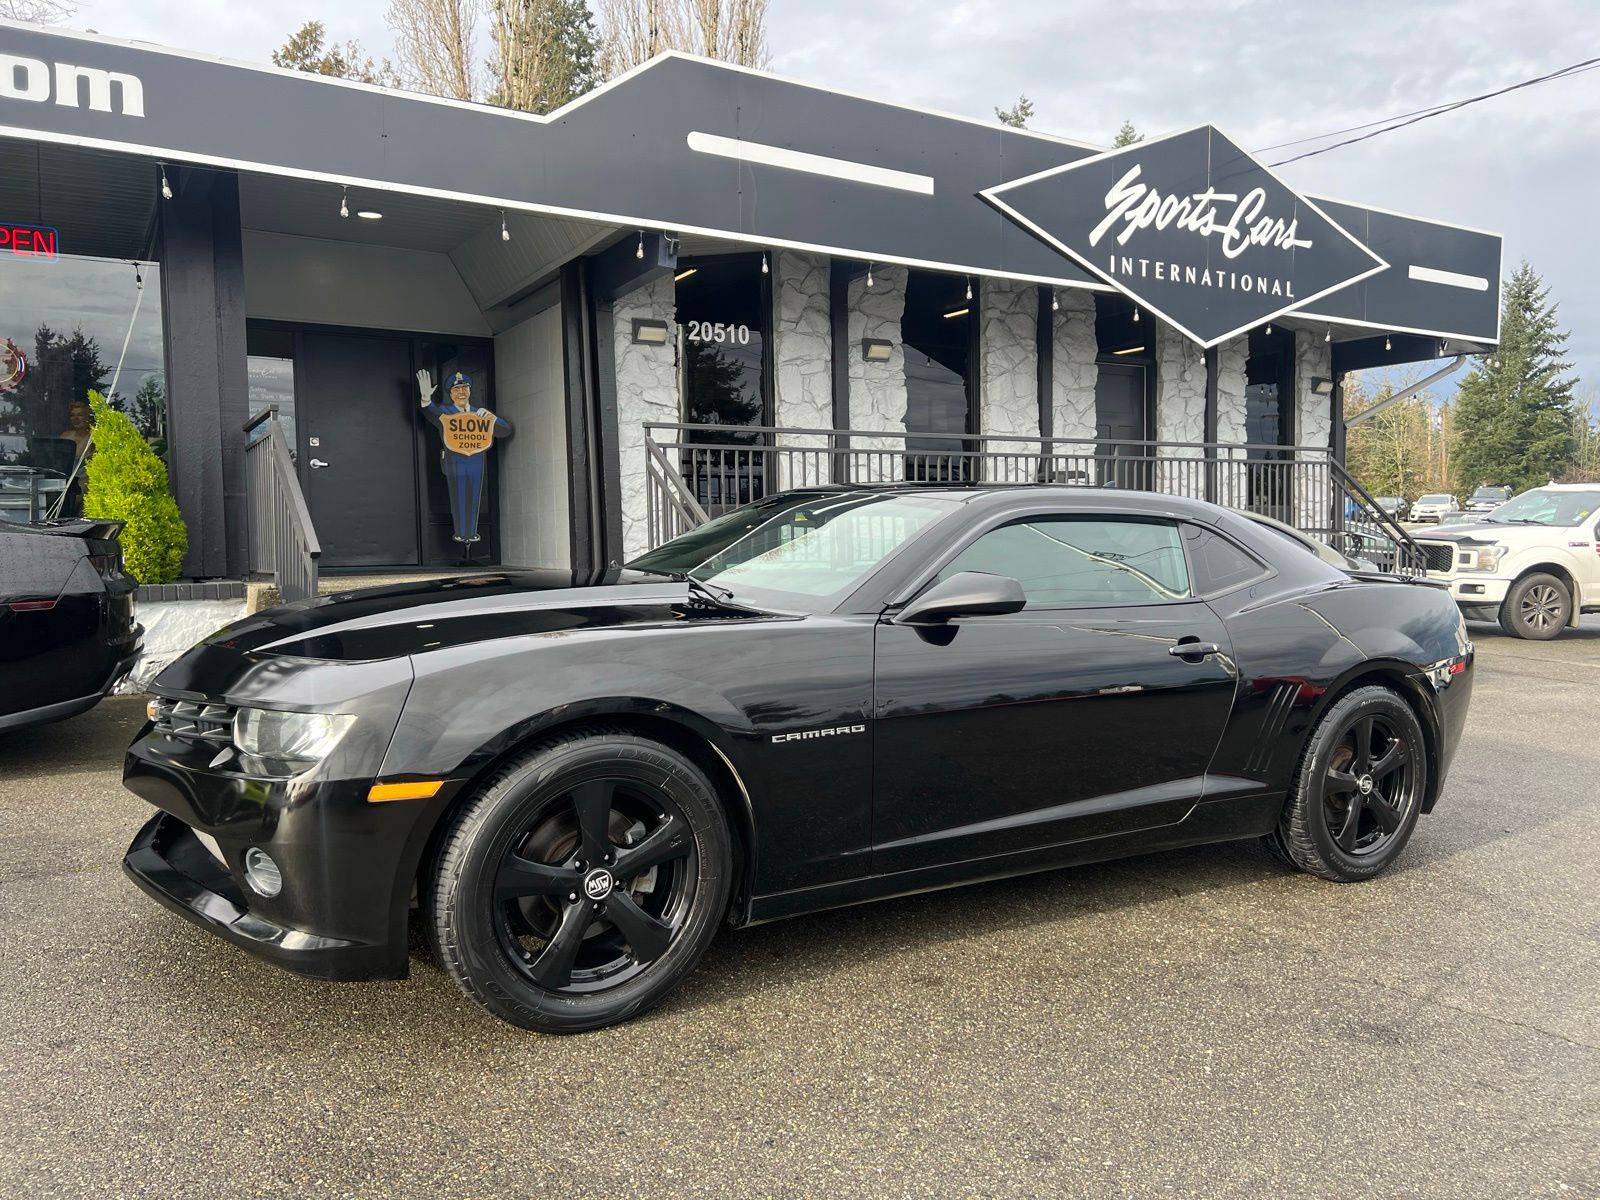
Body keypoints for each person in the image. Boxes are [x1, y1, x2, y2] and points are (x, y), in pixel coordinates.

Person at [417, 369, 513, 551]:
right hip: (455, 463)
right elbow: (430, 411)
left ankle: (472, 533)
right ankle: (462, 535)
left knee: (475, 496)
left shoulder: (479, 413)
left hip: (476, 461)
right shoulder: (445, 411)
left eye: (464, 388)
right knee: (459, 497)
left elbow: (506, 430)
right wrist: (425, 398)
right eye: (456, 389)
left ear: (469, 391)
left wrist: (492, 417)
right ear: (451, 394)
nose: (461, 392)